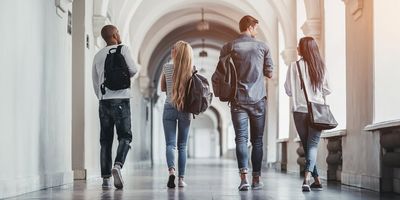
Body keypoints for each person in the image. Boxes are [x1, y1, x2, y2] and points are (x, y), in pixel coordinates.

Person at [219, 15, 274, 191]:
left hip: (238, 100)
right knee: (257, 140)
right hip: (258, 100)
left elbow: (222, 72)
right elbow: (270, 73)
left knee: (240, 139)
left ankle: (244, 179)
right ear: (250, 27)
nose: (256, 31)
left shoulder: (228, 47)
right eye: (256, 28)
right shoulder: (263, 47)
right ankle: (256, 178)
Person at [92, 25, 137, 189]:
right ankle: (117, 166)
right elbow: (134, 69)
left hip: (104, 101)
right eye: (118, 31)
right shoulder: (123, 49)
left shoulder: (98, 55)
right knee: (125, 136)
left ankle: (105, 178)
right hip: (122, 99)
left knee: (105, 140)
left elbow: (95, 81)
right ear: (114, 34)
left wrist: (102, 97)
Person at [284, 36, 331, 192]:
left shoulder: (293, 66)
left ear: (304, 49)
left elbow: (288, 90)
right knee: (311, 146)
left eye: (299, 46)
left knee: (307, 146)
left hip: (299, 111)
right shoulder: (321, 67)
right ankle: (311, 179)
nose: (297, 48)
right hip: (317, 111)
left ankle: (310, 179)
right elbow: (327, 90)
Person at [160, 41, 193, 188]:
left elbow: (162, 88)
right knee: (182, 146)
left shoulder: (166, 67)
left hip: (169, 107)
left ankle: (171, 172)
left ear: (175, 53)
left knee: (170, 144)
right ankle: (181, 179)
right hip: (185, 110)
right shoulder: (191, 70)